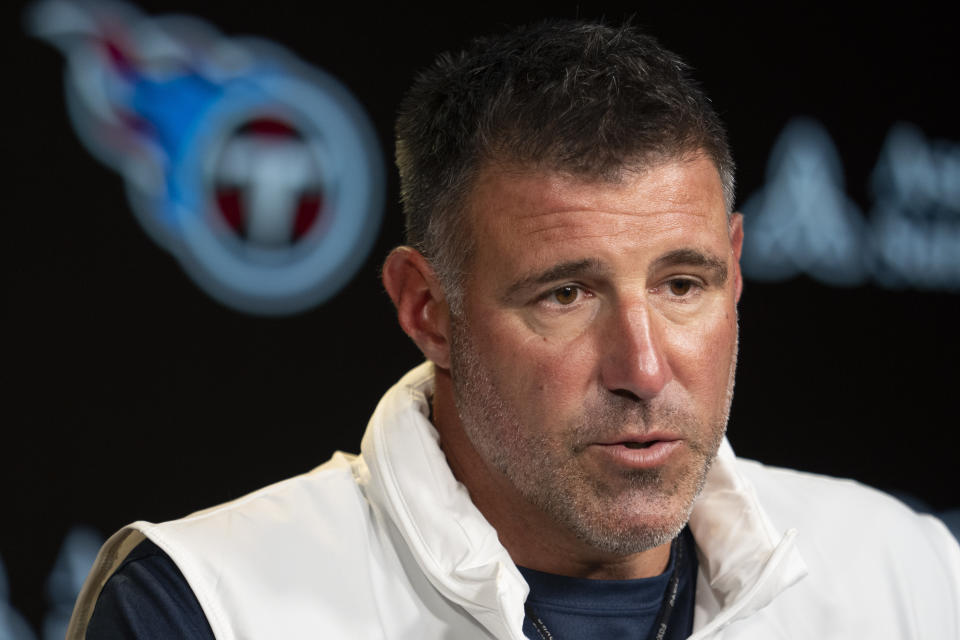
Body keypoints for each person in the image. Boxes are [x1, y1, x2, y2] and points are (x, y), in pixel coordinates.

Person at [68, 19, 960, 640]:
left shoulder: (906, 575)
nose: (645, 369)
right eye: (566, 296)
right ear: (428, 310)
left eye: (683, 283)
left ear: (735, 265)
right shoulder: (205, 609)